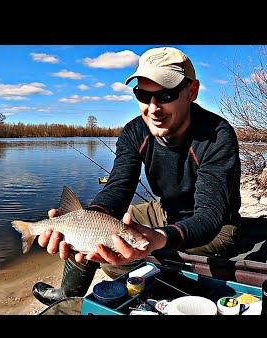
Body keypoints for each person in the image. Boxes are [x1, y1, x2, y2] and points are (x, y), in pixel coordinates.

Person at [32, 46, 242, 306]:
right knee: (94, 226)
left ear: (192, 92)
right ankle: (68, 294)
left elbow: (210, 216)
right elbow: (119, 186)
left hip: (218, 228)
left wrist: (159, 238)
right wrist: (90, 216)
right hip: (165, 210)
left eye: (165, 95)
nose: (153, 108)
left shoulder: (217, 135)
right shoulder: (134, 131)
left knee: (120, 258)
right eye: (143, 95)